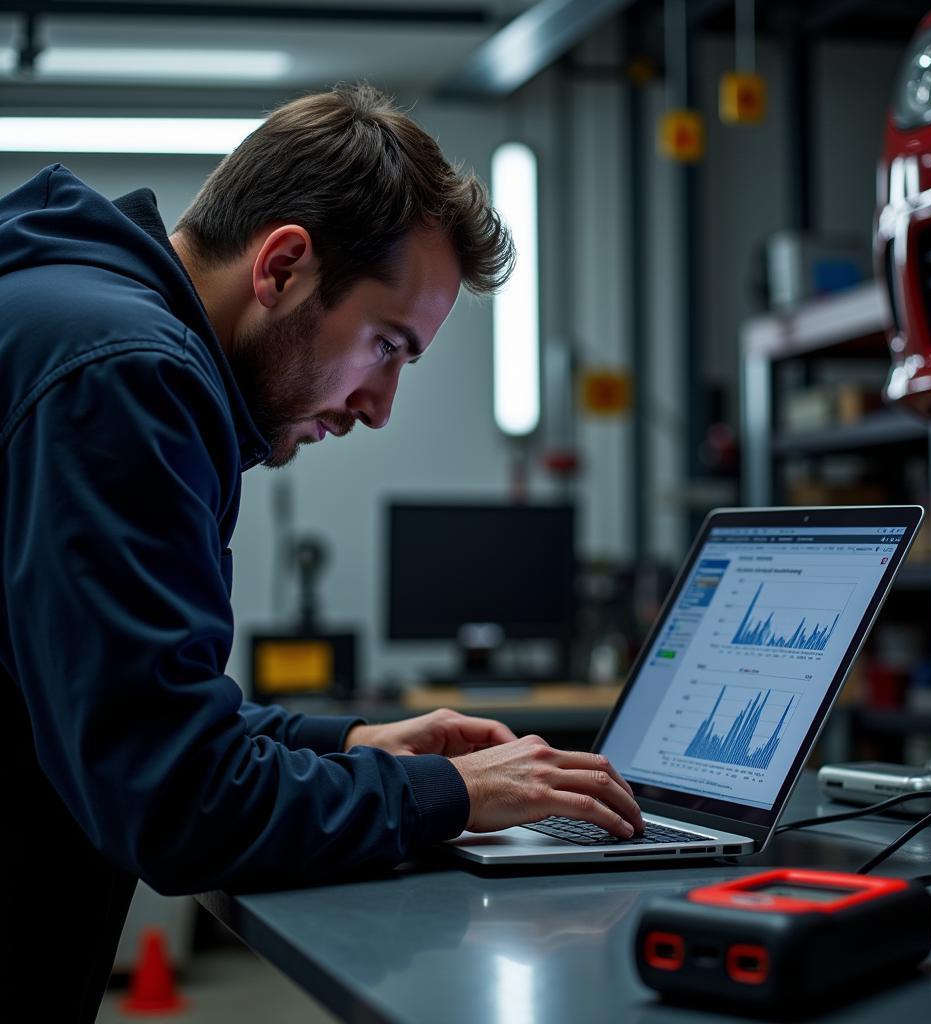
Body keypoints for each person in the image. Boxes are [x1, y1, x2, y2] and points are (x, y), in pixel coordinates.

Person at [0, 83, 642, 1019]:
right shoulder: (123, 373)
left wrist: (347, 742)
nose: (381, 407)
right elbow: (176, 802)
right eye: (387, 346)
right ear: (285, 265)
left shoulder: (68, 320)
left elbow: (118, 709)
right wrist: (443, 794)